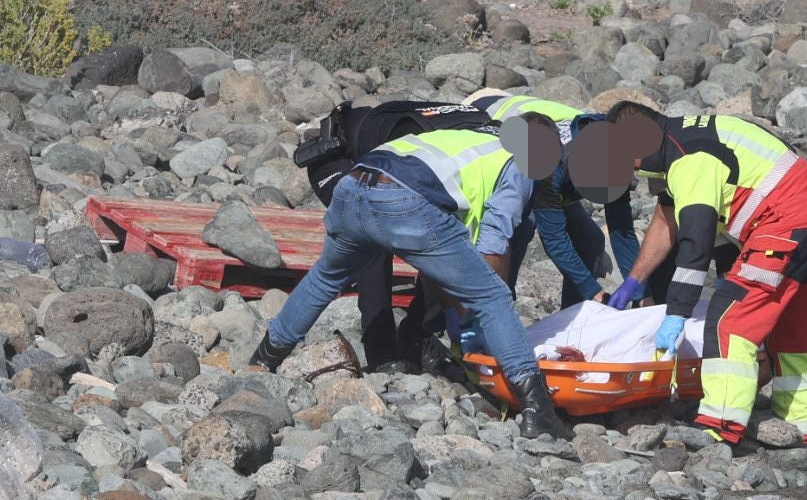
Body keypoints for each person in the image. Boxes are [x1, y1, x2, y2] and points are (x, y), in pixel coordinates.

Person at [253, 116, 568, 439]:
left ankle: (261, 362)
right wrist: (477, 324)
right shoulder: (521, 159)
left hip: (353, 186)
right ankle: (537, 410)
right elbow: (492, 245)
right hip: (401, 201)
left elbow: (441, 259)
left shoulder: (466, 139)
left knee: (325, 278)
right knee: (492, 296)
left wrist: (456, 315)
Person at [605, 102, 807, 447]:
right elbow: (665, 220)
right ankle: (806, 432)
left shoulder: (689, 162)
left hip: (786, 220)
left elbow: (695, 245)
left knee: (729, 321)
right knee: (793, 330)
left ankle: (719, 427)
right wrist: (633, 280)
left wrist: (677, 313)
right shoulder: (678, 140)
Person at [293, 99, 492, 372]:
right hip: (336, 157)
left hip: (393, 158)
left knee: (447, 243)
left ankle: (418, 336)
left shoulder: (485, 153)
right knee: (372, 239)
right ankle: (380, 352)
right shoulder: (456, 154)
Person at [467, 91, 640, 308]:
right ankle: (500, 313)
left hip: (539, 137)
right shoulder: (552, 166)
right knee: (517, 235)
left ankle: (575, 320)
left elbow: (622, 230)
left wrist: (639, 292)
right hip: (491, 122)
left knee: (590, 241)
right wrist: (595, 292)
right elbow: (554, 238)